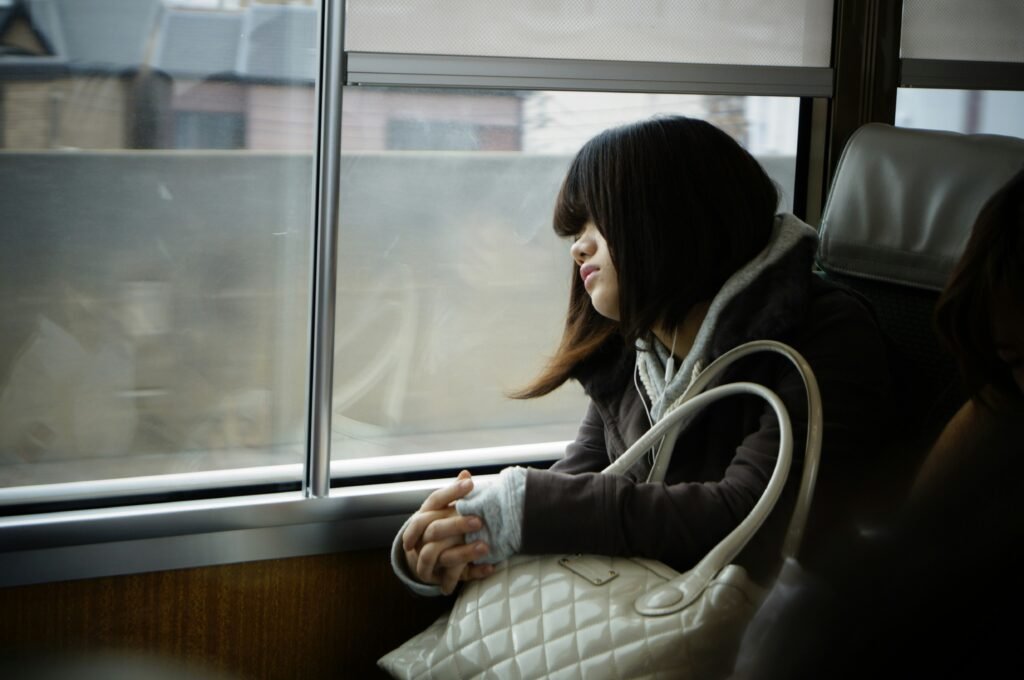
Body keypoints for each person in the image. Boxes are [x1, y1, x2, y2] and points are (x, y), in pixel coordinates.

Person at [389, 115, 893, 601]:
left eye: (595, 220)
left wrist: (524, 508)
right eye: (574, 230)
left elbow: (751, 519)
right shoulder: (634, 355)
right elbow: (583, 484)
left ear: (668, 215)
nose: (577, 248)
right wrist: (453, 539)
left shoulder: (824, 333)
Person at [731, 165, 1024, 679]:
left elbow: (739, 505)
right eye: (1016, 361)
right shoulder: (999, 410)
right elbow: (908, 556)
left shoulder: (830, 331)